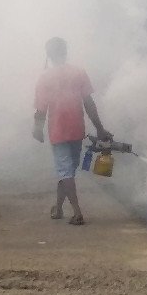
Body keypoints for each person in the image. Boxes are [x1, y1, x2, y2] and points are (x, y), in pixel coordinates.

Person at [33, 37, 111, 225]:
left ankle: (76, 213)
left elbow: (41, 110)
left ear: (49, 55)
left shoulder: (45, 77)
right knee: (67, 170)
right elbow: (89, 103)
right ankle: (59, 208)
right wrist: (100, 128)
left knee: (65, 172)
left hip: (58, 130)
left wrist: (37, 129)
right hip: (77, 129)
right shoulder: (79, 73)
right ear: (65, 51)